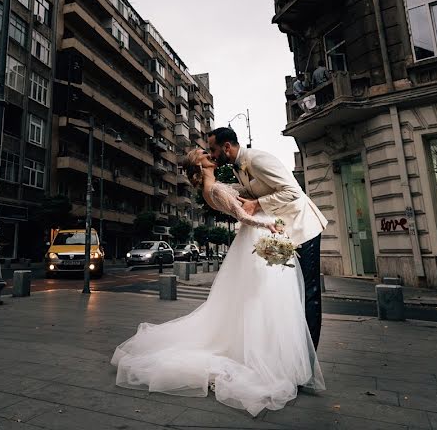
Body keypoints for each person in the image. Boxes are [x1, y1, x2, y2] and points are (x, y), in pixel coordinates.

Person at [111, 148, 325, 416]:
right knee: (262, 297)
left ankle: (270, 351)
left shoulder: (214, 186)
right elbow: (242, 214)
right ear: (199, 165)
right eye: (203, 154)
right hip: (256, 231)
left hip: (250, 237)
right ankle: (268, 355)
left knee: (257, 297)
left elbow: (244, 197)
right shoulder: (214, 189)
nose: (209, 154)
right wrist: (266, 226)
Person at [206, 126, 326, 349]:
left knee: (309, 293)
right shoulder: (237, 168)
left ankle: (309, 356)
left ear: (227, 147)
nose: (212, 155)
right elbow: (253, 192)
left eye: (213, 150)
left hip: (303, 227)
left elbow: (292, 191)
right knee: (292, 293)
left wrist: (258, 204)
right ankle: (293, 351)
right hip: (282, 232)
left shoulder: (257, 159)